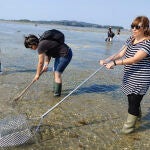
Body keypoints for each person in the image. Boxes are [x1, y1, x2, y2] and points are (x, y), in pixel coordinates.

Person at [100, 16, 150, 134]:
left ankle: (127, 130)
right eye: (132, 26)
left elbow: (134, 59)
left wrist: (115, 63)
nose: (134, 29)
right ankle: (137, 118)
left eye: (137, 27)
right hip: (129, 75)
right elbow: (120, 53)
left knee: (133, 102)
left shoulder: (148, 43)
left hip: (141, 78)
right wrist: (108, 59)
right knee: (132, 100)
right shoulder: (131, 39)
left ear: (145, 28)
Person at [24, 30, 73, 97]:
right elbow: (48, 53)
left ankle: (57, 96)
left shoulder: (41, 45)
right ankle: (56, 89)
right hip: (60, 55)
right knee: (54, 72)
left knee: (57, 74)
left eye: (30, 47)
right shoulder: (42, 43)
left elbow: (40, 62)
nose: (31, 49)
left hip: (65, 54)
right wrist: (46, 64)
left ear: (34, 43)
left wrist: (37, 74)